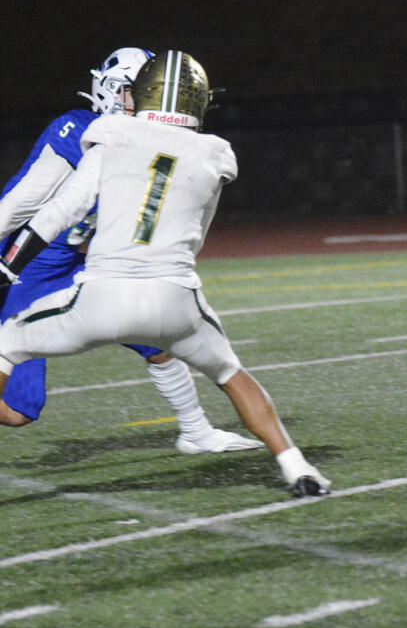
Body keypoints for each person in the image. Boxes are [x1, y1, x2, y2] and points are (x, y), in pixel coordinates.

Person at [0, 51, 330, 496]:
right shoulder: (199, 148)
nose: (131, 100)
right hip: (74, 274)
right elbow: (24, 203)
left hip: (94, 273)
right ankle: (297, 466)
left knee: (136, 346)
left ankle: (194, 430)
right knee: (22, 411)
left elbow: (66, 211)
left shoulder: (121, 136)